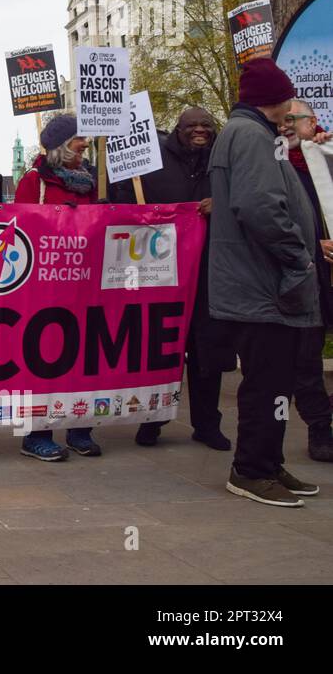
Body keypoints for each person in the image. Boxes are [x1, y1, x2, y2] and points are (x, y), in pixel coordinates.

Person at [211, 58, 320, 506]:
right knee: (265, 382)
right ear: (277, 99)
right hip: (262, 286)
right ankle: (251, 470)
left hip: (262, 284)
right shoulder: (252, 136)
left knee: (274, 382)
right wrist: (299, 257)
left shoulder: (252, 133)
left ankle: (268, 463)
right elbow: (260, 208)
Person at [110, 107, 232, 451]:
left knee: (207, 351)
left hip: (210, 271)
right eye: (191, 125)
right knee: (160, 350)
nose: (199, 130)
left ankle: (208, 424)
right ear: (177, 130)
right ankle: (152, 421)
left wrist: (220, 202)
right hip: (161, 271)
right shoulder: (150, 161)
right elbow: (123, 203)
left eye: (205, 125)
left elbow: (243, 198)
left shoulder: (224, 160)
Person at [13, 114, 103, 460]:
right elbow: (19, 226)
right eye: (79, 139)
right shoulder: (34, 180)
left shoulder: (92, 180)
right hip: (44, 285)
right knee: (44, 357)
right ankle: (36, 433)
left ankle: (80, 429)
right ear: (61, 145)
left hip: (84, 282)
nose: (85, 145)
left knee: (82, 356)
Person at [277, 99, 333, 462]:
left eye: (292, 120)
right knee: (305, 359)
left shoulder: (328, 157)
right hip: (303, 278)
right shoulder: (273, 164)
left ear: (313, 123)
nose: (284, 127)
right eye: (279, 121)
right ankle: (320, 428)